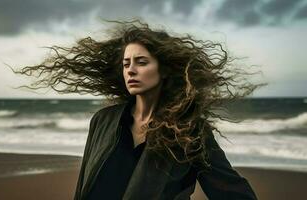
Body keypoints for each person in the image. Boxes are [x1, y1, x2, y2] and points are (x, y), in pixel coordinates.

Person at [15, 20, 262, 199]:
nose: (130, 70)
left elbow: (233, 192)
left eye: (141, 62)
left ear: (164, 70)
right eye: (126, 64)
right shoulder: (103, 120)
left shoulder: (189, 130)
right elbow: (83, 187)